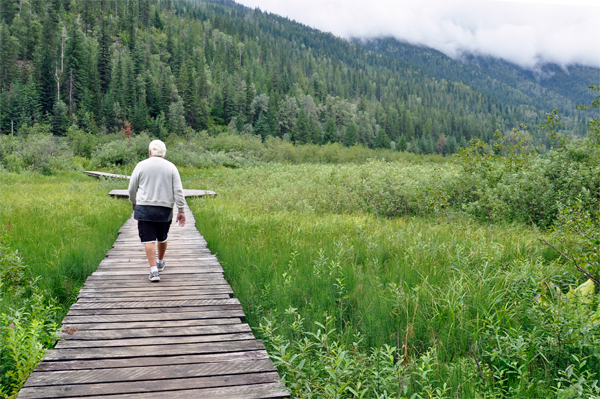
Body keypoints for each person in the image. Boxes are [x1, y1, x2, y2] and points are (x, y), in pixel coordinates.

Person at [128, 140, 186, 282]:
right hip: (164, 209)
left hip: (144, 208)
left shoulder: (141, 165)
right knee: (162, 237)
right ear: (164, 152)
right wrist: (181, 209)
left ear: (150, 152)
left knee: (148, 240)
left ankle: (154, 272)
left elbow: (132, 188)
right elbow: (178, 190)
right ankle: (160, 262)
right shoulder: (171, 167)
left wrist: (133, 202)